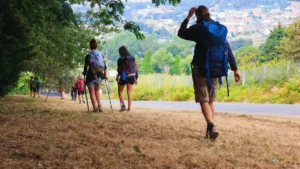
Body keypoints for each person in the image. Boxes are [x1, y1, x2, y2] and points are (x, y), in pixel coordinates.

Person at [178, 6, 240, 139]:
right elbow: (227, 49)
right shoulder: (218, 30)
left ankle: (211, 125)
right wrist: (235, 69)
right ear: (208, 14)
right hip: (216, 68)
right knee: (210, 100)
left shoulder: (199, 28)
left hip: (200, 68)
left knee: (203, 99)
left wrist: (188, 17)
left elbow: (181, 33)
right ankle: (210, 129)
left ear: (197, 16)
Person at [83, 39, 107, 112]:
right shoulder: (101, 54)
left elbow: (86, 66)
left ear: (90, 46)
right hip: (99, 74)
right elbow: (104, 66)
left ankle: (95, 108)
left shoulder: (88, 55)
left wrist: (84, 72)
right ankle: (100, 107)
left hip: (91, 74)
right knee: (97, 91)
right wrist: (104, 76)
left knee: (92, 92)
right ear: (97, 46)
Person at [116, 46, 138, 112]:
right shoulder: (132, 58)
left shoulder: (120, 60)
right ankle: (129, 108)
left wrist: (117, 77)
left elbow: (119, 70)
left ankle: (123, 106)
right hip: (132, 76)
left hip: (124, 76)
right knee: (129, 92)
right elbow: (136, 68)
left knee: (120, 91)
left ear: (120, 52)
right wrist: (136, 78)